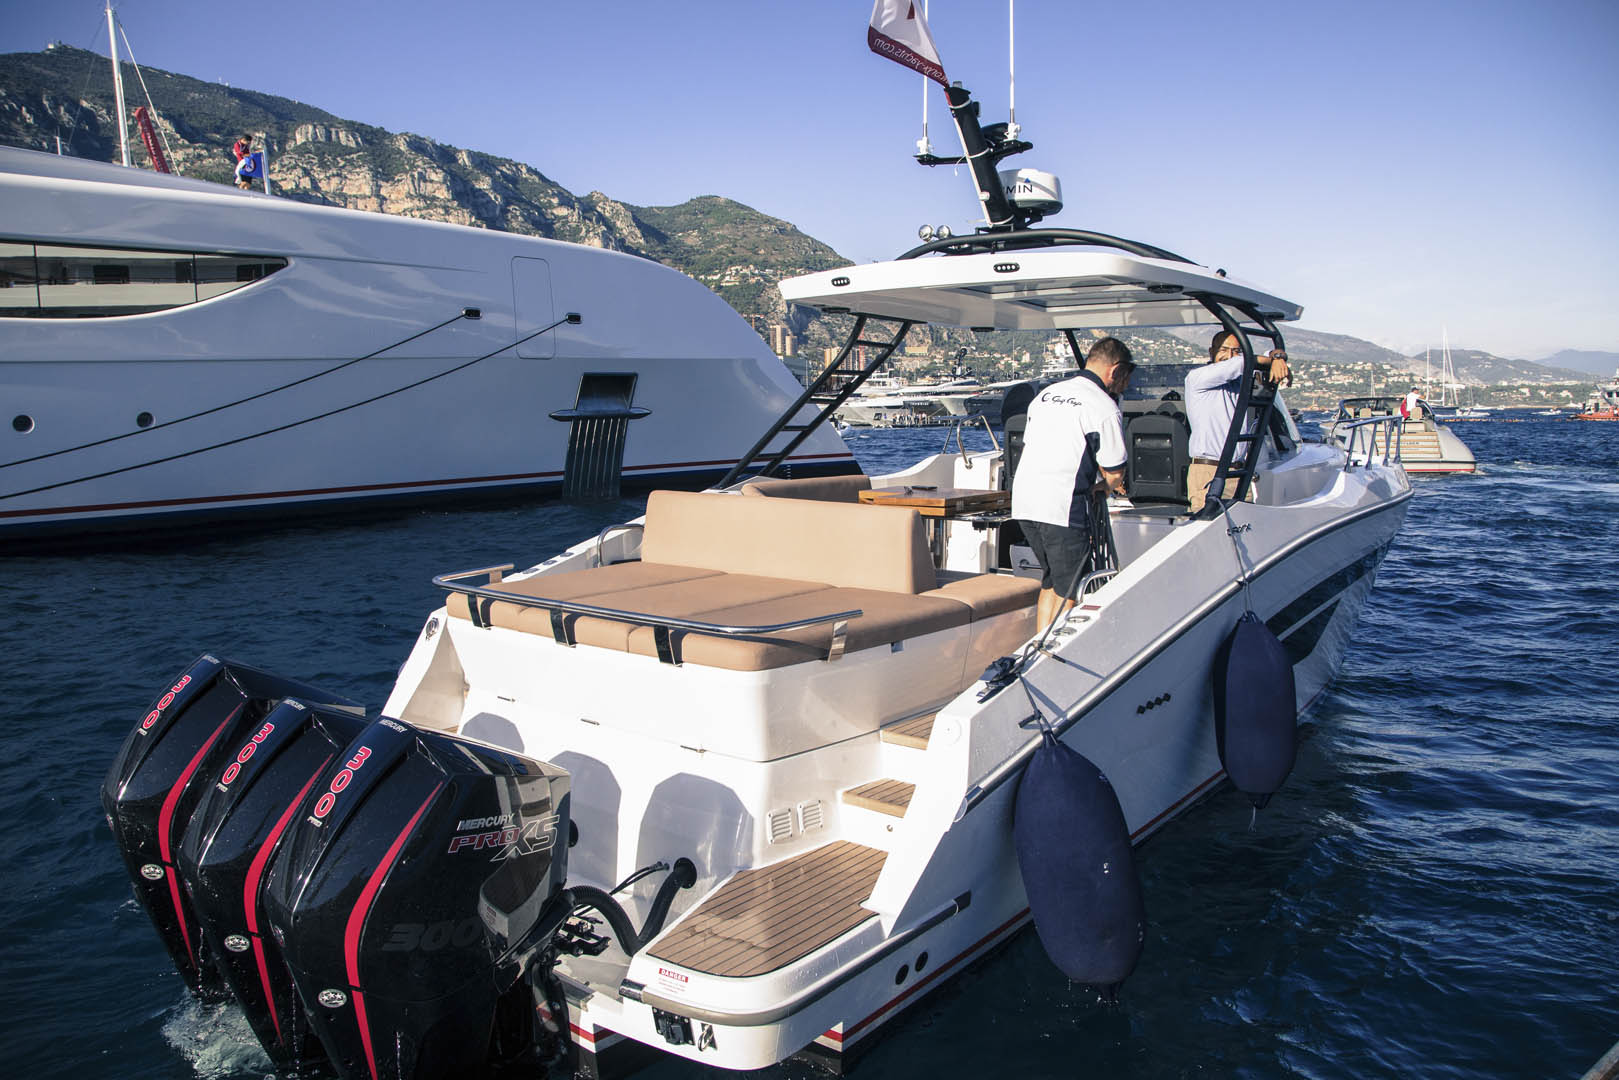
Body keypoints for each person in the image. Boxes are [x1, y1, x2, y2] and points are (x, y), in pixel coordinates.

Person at [1011, 337, 1134, 629]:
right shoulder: (1104, 407)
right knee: (1072, 589)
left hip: (1025, 504)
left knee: (1052, 580)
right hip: (1062, 507)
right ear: (1115, 371)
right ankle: (1055, 655)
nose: (1125, 387)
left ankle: (1039, 644)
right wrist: (1102, 487)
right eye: (1126, 379)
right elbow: (1116, 473)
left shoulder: (1045, 395)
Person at [1184, 331, 1290, 514]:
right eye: (1224, 349)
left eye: (1236, 351)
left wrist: (1278, 358)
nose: (1230, 355)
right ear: (1211, 352)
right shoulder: (1198, 378)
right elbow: (1241, 363)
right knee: (1210, 532)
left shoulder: (1242, 381)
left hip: (1239, 473)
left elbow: (1284, 377)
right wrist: (1273, 360)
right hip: (1208, 472)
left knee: (1245, 527)